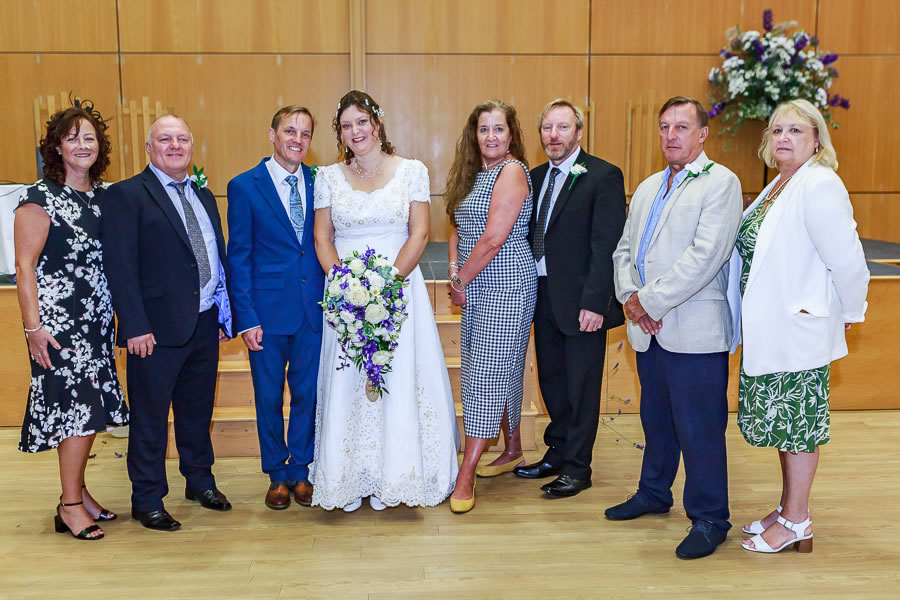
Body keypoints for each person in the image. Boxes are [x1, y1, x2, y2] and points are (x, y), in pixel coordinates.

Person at [731, 99, 869, 554]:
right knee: (782, 424)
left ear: (816, 141)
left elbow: (848, 260)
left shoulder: (820, 183)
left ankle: (797, 522)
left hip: (799, 328)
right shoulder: (779, 184)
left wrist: (850, 313)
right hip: (772, 328)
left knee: (799, 426)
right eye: (777, 130)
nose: (784, 138)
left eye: (795, 130)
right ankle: (787, 506)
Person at [311, 90, 459, 511]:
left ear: (376, 123)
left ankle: (396, 476)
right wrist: (344, 287)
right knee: (349, 381)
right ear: (340, 133)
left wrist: (386, 285)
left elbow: (420, 233)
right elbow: (323, 237)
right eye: (346, 125)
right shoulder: (328, 177)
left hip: (400, 288)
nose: (355, 131)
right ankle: (348, 477)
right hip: (345, 295)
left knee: (397, 376)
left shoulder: (412, 171)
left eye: (362, 121)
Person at [608, 96, 742, 559]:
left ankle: (710, 518)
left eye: (681, 127)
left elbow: (706, 257)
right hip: (649, 329)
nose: (671, 135)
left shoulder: (721, 183)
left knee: (700, 429)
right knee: (657, 420)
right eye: (664, 127)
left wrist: (647, 301)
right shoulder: (648, 186)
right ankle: (653, 492)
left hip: (695, 329)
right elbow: (624, 251)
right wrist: (630, 297)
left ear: (702, 134)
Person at [102, 115, 234, 531]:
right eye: (165, 139)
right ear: (149, 148)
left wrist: (221, 312)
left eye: (182, 139)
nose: (175, 145)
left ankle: (199, 481)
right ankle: (147, 498)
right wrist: (134, 326)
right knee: (151, 419)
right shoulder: (127, 195)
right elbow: (120, 267)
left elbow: (214, 257)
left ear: (192, 146)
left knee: (197, 411)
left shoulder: (204, 195)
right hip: (154, 332)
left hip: (204, 323)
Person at [15, 101, 128, 540]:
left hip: (96, 323)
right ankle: (70, 505)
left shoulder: (103, 196)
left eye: (89, 138)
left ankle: (79, 491)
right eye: (72, 137)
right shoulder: (40, 198)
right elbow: (25, 267)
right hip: (58, 327)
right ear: (57, 147)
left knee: (91, 411)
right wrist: (33, 328)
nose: (82, 145)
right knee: (75, 413)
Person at [513, 99, 626, 497]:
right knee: (552, 382)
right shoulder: (535, 176)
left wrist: (596, 302)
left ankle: (578, 468)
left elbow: (606, 245)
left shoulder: (603, 175)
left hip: (582, 301)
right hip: (542, 296)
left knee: (581, 387)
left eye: (562, 127)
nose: (554, 135)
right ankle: (558, 453)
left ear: (578, 132)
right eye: (547, 128)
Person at [226, 106, 323, 510]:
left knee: (307, 394)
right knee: (268, 397)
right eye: (289, 131)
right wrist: (246, 317)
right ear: (272, 134)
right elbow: (238, 257)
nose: (297, 140)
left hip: (313, 310)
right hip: (265, 314)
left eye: (305, 133)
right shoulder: (244, 186)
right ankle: (276, 474)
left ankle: (301, 470)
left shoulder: (321, 182)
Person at [445, 99, 537, 514]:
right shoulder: (472, 175)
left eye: (499, 128)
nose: (491, 136)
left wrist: (460, 280)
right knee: (501, 367)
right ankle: (512, 449)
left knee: (486, 374)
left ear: (511, 135)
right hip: (474, 280)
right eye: (484, 129)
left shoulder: (511, 171)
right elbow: (458, 229)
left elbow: (494, 237)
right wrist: (455, 270)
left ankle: (466, 474)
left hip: (506, 284)